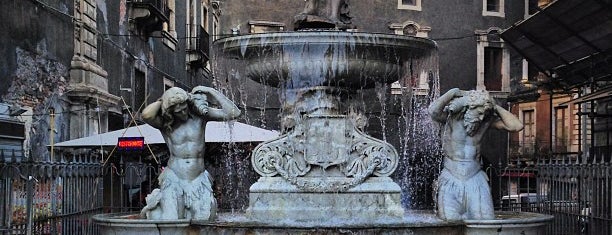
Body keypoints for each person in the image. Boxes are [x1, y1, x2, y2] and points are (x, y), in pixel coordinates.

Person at [140, 86, 241, 220]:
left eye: (184, 106)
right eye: (177, 109)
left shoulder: (200, 116)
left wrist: (210, 91)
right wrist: (165, 99)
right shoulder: (165, 124)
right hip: (174, 177)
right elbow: (146, 115)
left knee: (204, 220)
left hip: (198, 178)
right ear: (170, 111)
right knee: (171, 219)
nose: (182, 111)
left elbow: (233, 113)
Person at [428, 88, 523, 220]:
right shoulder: (451, 119)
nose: (481, 117)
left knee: (486, 221)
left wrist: (494, 106)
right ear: (469, 107)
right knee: (450, 224)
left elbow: (516, 126)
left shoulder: (485, 122)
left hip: (476, 178)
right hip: (451, 177)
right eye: (479, 113)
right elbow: (433, 111)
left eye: (484, 114)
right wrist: (452, 92)